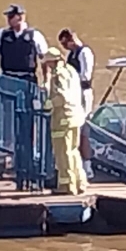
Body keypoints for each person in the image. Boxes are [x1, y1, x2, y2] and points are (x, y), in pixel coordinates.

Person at [43, 47, 88, 195]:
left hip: (63, 117)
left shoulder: (58, 75)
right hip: (76, 115)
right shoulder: (71, 70)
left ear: (52, 62)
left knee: (63, 153)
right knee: (74, 151)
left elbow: (62, 96)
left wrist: (49, 103)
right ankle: (80, 183)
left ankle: (66, 186)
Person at [58, 29, 95, 178]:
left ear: (71, 40)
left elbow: (86, 75)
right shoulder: (71, 54)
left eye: (65, 44)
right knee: (74, 127)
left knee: (83, 127)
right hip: (73, 93)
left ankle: (88, 165)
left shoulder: (84, 52)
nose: (65, 48)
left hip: (83, 94)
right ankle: (76, 161)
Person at [0, 4, 49, 84]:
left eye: (11, 16)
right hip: (7, 79)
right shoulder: (1, 34)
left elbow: (44, 60)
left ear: (20, 17)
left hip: (28, 80)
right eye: (8, 17)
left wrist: (46, 81)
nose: (8, 20)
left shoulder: (35, 35)